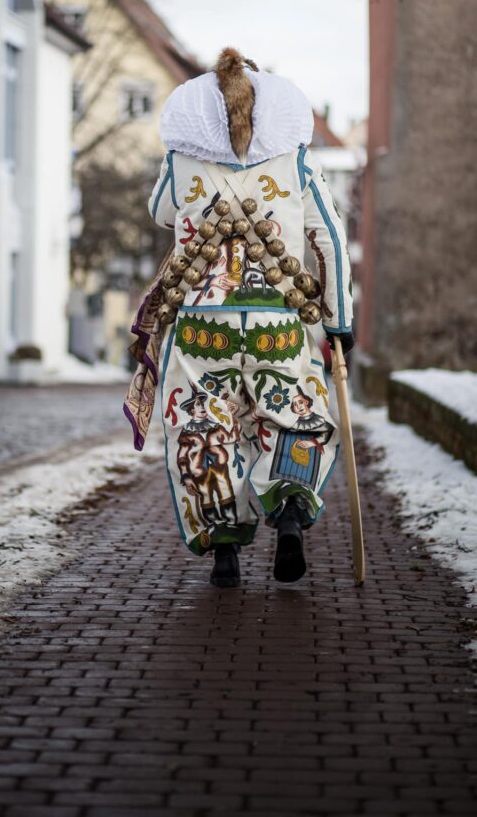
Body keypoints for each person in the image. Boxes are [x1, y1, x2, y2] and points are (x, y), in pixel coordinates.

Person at [146, 48, 354, 587]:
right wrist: (338, 321)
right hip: (277, 321)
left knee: (202, 424)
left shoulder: (181, 158)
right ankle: (287, 513)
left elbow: (161, 211)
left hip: (199, 322)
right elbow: (328, 238)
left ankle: (225, 553)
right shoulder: (295, 159)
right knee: (294, 413)